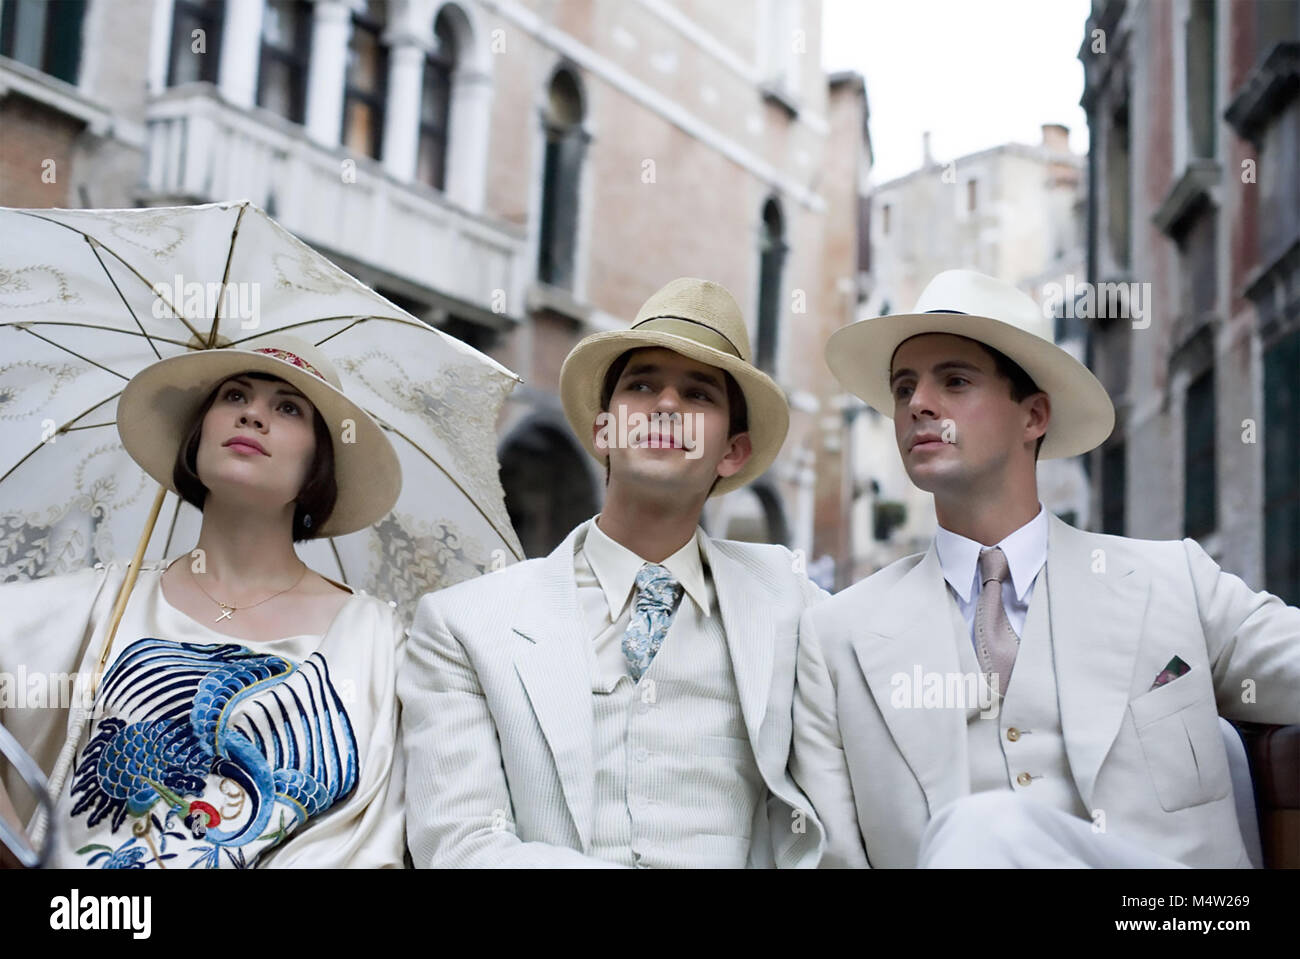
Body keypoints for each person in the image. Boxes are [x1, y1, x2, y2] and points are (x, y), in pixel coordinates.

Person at [792, 269, 1300, 868]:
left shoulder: (1174, 581)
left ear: (1033, 416)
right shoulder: (835, 638)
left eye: (954, 381)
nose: (919, 405)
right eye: (904, 389)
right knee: (981, 833)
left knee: (986, 829)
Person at [400, 277, 826, 867]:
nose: (667, 405)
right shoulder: (464, 624)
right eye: (642, 385)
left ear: (733, 452)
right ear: (604, 430)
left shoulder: (793, 603)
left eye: (699, 394)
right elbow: (459, 845)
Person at [0, 335, 407, 868]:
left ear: (318, 466)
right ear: (197, 437)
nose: (252, 416)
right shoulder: (107, 599)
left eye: (287, 408)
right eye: (234, 397)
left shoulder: (379, 641)